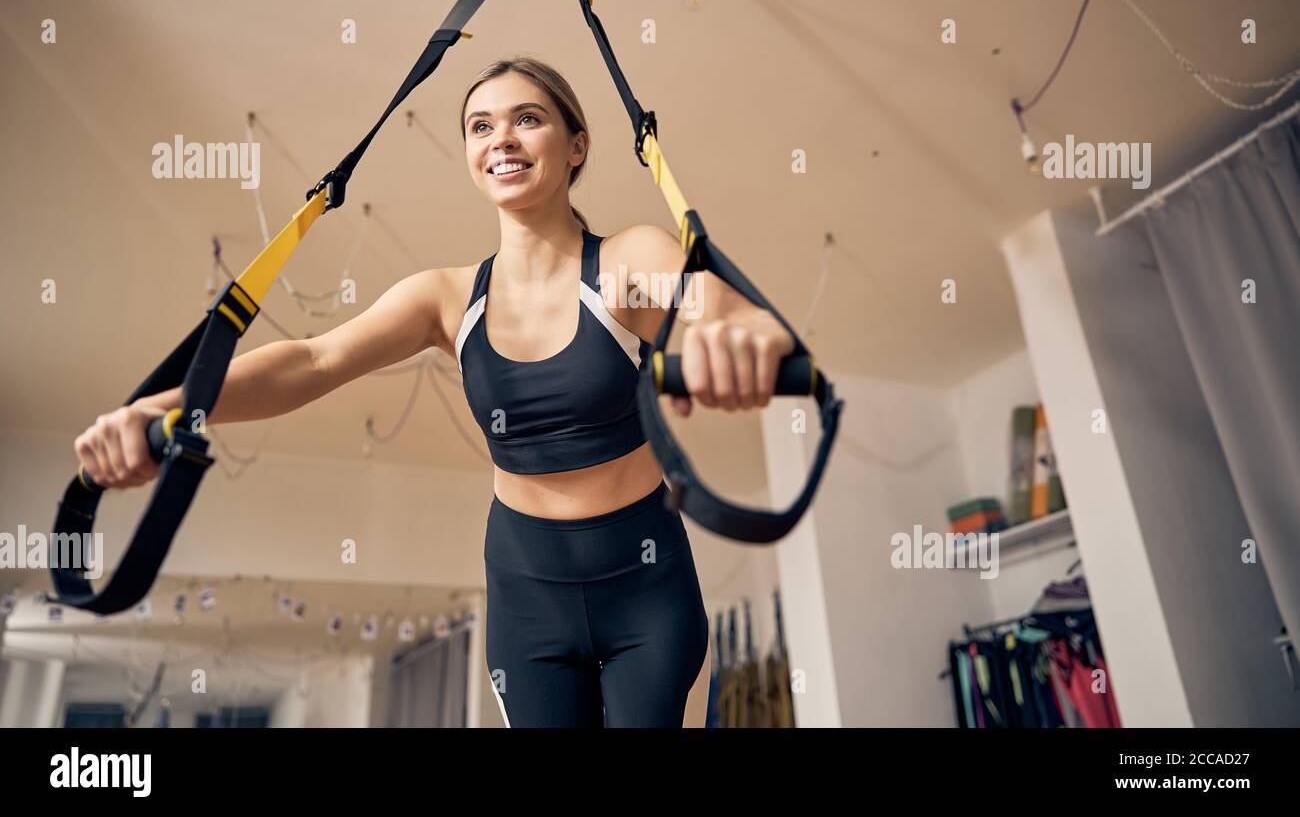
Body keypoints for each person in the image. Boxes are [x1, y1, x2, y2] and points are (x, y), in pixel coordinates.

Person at [73, 55, 795, 727]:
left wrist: (738, 334)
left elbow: (710, 306)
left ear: (577, 145)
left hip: (647, 586)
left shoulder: (628, 261)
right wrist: (157, 407)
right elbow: (313, 362)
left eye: (527, 118)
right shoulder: (448, 299)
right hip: (527, 592)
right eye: (481, 126)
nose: (501, 139)